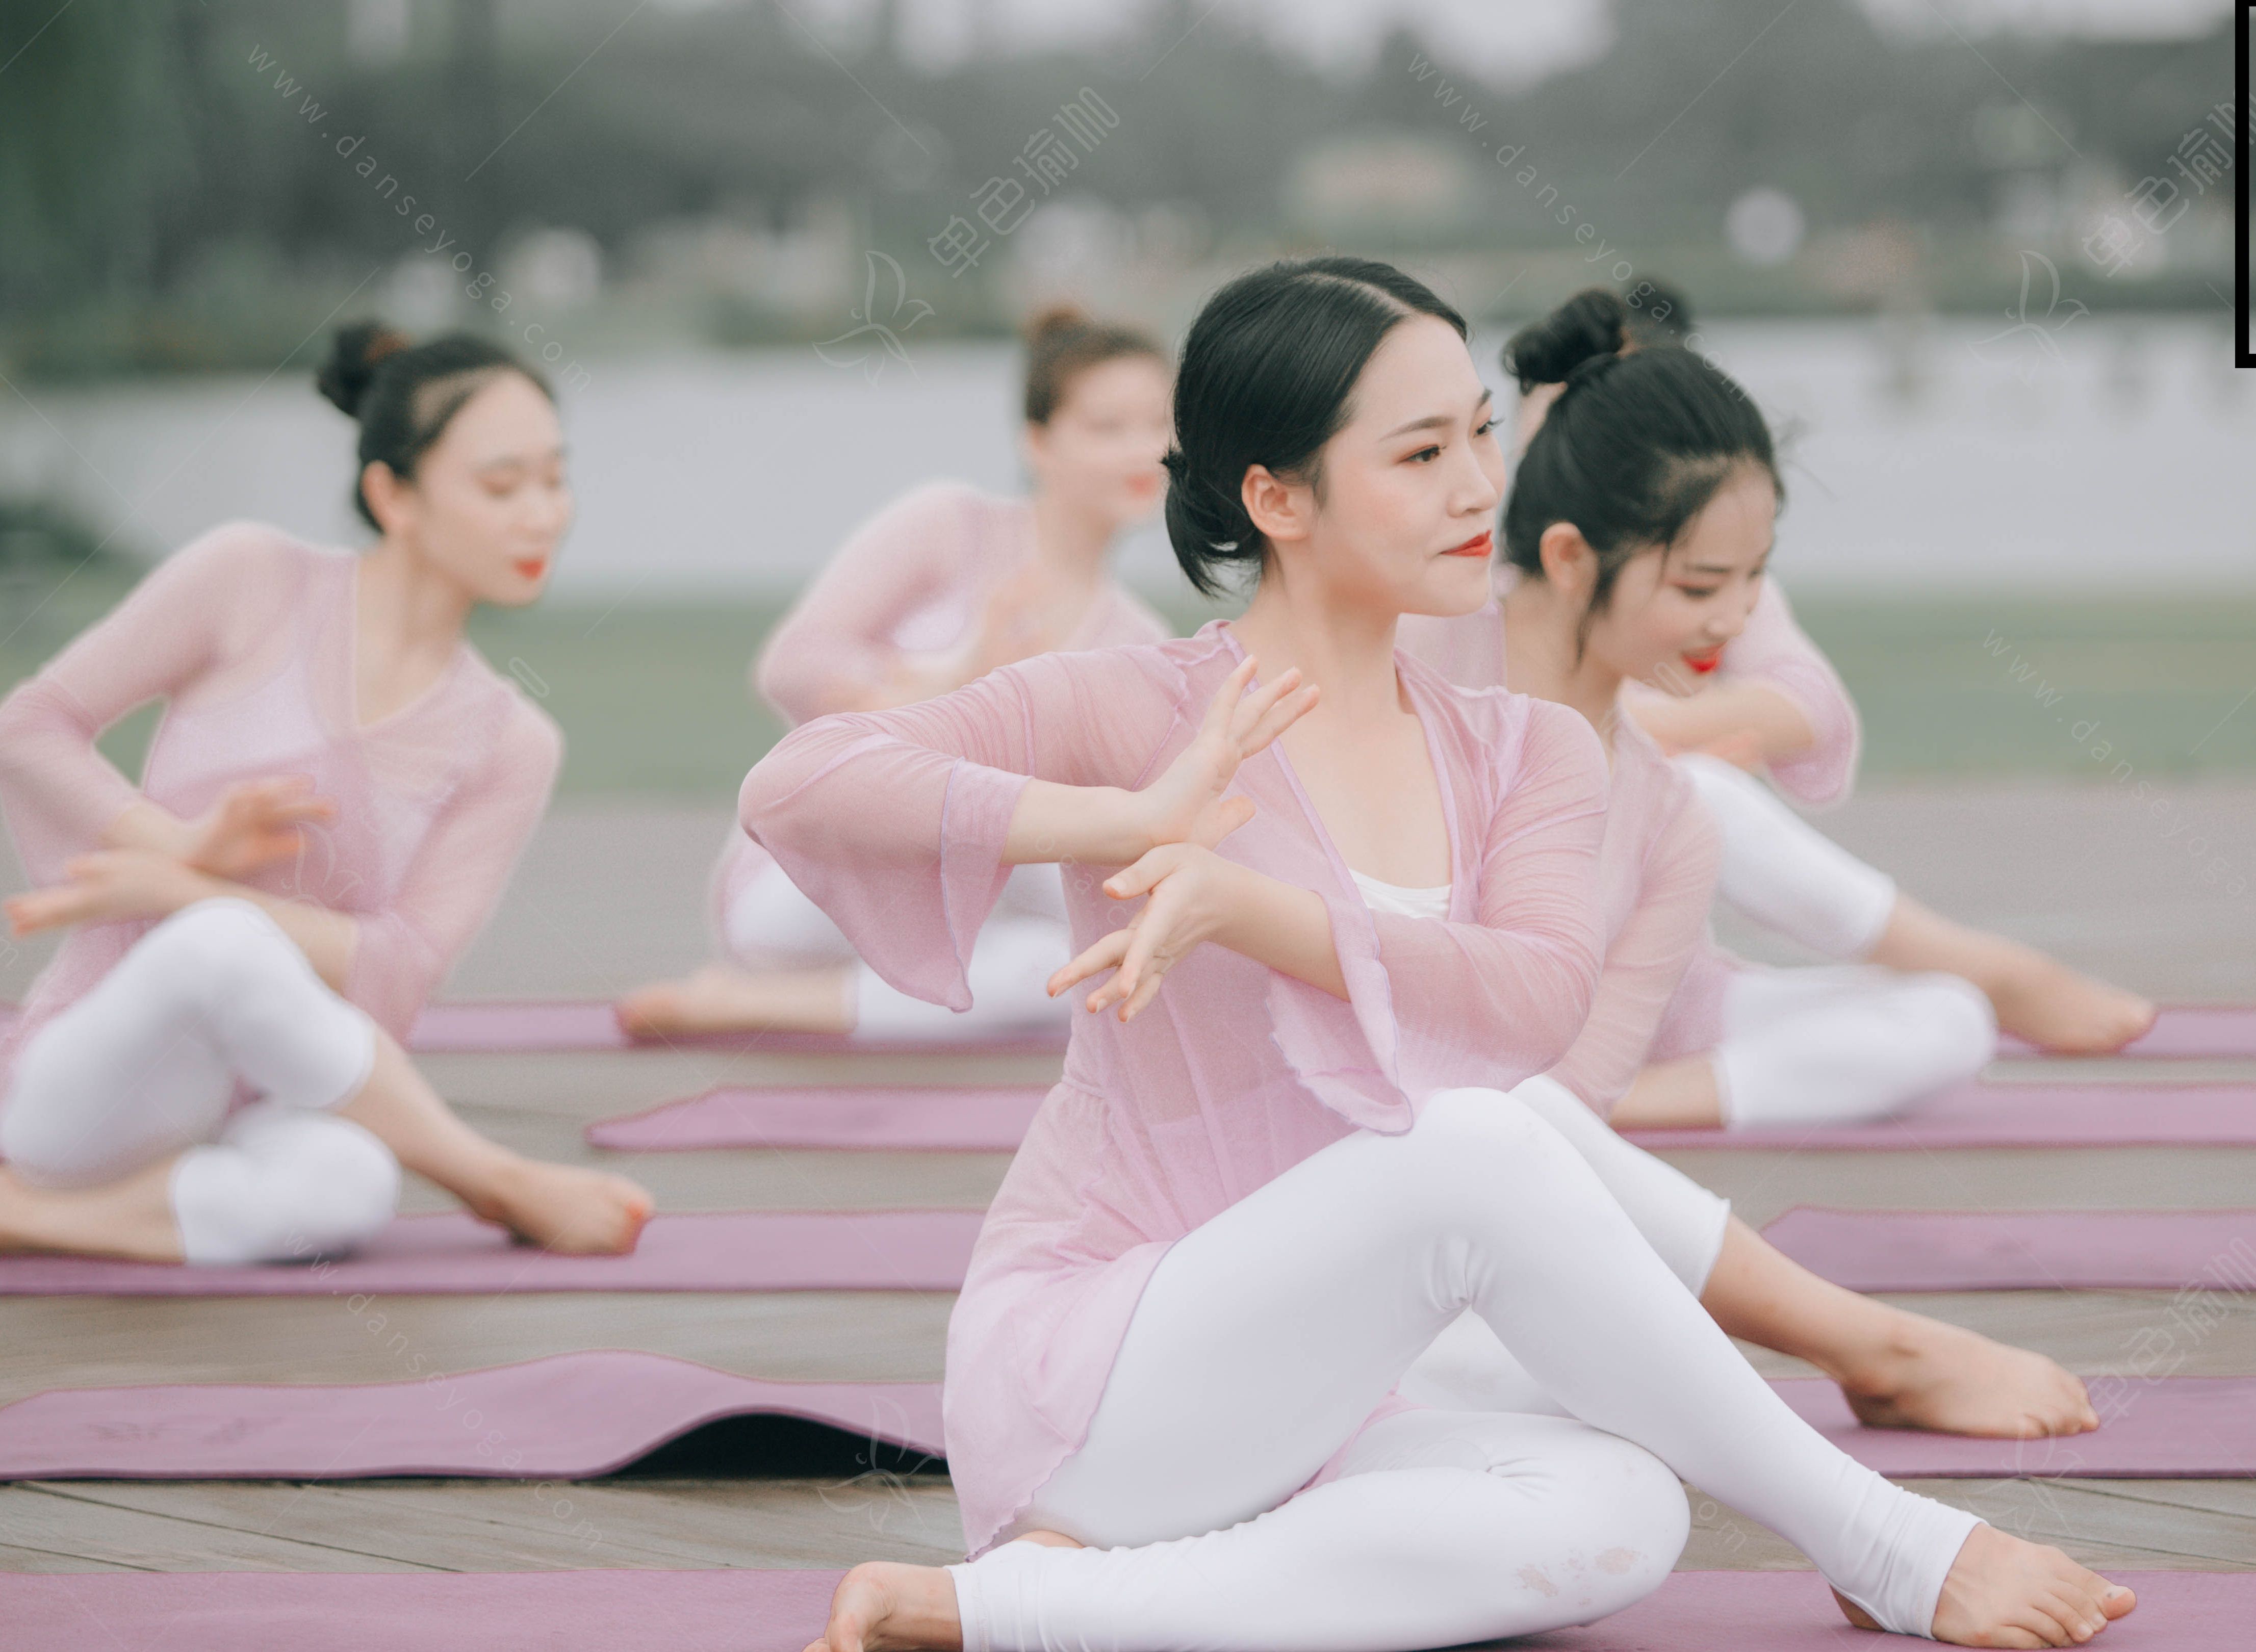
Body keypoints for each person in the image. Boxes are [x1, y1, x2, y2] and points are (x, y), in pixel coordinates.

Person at [752, 257, 2133, 1652]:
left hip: (1322, 1394)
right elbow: (803, 784)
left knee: (1620, 1512)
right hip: (1096, 1374)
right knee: (1475, 1149)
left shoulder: (1520, 748)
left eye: (1480, 433)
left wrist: (1243, 904)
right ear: (1277, 498)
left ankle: (1020, 1610)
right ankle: (1882, 1540)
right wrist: (1130, 814)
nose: (1482, 487)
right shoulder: (1139, 706)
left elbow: (1533, 1006)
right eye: (1422, 453)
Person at [1396, 288, 2093, 1441]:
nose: (1733, 627)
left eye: (1755, 582)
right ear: (1569, 557)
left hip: (1468, 1205)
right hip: (1284, 1183)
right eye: (1703, 589)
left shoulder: (1670, 821)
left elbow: (1565, 1121)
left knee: (1600, 1437)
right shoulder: (1402, 672)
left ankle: (1858, 1353)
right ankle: (1871, 1345)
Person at [0, 322, 652, 1265]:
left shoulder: (511, 742)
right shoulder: (249, 578)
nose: (542, 516)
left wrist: (179, 888)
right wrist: (170, 847)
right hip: (90, 1092)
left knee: (351, 1188)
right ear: (394, 494)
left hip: (276, 1103)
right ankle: (493, 1180)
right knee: (224, 942)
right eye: (502, 486)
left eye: (555, 480)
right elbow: (29, 727)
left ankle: (24, 1218)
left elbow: (395, 970)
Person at [1517, 283, 2156, 1066]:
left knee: (1947, 1021)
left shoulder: (1713, 582)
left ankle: (1623, 1093)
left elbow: (1809, 705)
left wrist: (1651, 735)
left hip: (1677, 998)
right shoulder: (1476, 589)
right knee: (1700, 795)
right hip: (1532, 996)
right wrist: (1651, 748)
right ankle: (1992, 966)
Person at [619, 306, 1174, 1042]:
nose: (1143, 451)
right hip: (809, 887)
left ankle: (740, 1007)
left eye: (1160, 425)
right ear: (1038, 442)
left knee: (1082, 963)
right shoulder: (950, 528)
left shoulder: (1140, 642)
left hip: (967, 917)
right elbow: (790, 668)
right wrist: (956, 677)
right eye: (1109, 428)